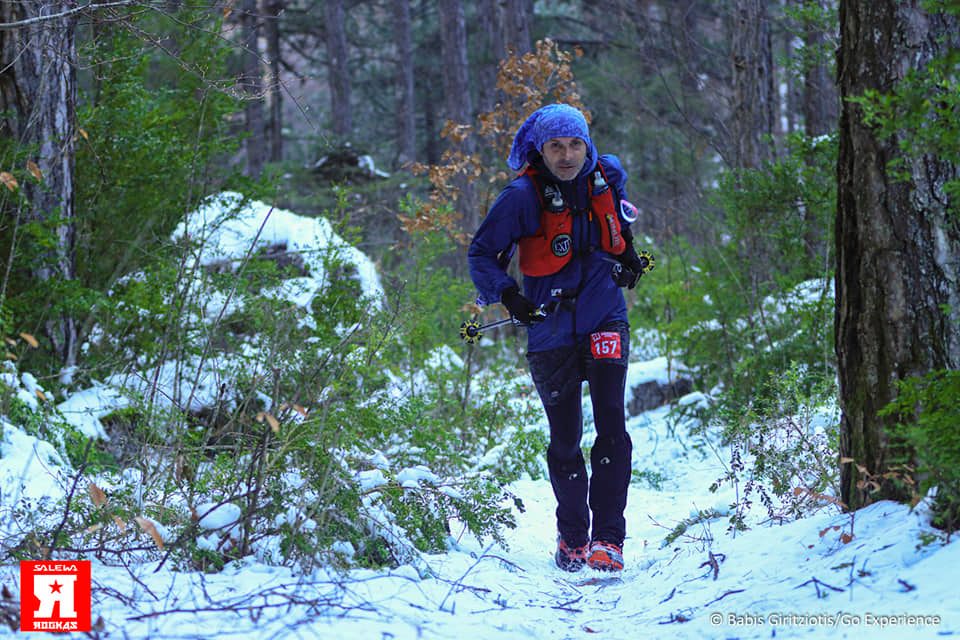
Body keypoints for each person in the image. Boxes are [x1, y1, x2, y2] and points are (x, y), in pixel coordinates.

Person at [468, 103, 649, 572]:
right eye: (555, 146)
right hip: (548, 330)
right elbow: (482, 255)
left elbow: (618, 231)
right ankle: (573, 537)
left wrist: (628, 259)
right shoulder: (521, 197)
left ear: (587, 145)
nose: (566, 155)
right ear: (540, 149)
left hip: (605, 316)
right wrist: (510, 297)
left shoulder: (605, 178)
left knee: (612, 424)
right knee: (565, 440)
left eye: (575, 145)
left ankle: (609, 539)